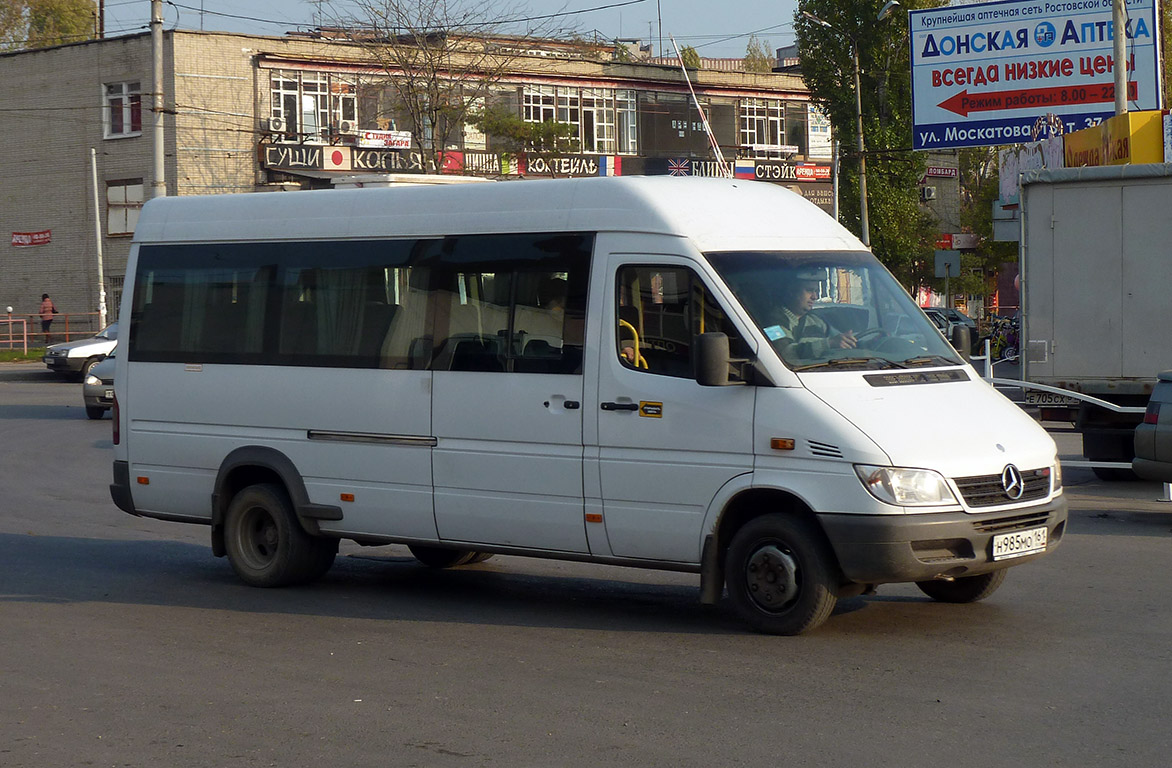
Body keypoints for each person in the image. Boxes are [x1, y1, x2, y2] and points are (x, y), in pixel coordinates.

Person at [765, 269, 856, 359]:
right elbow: (786, 354)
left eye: (816, 291)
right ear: (792, 291)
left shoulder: (816, 321)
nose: (815, 297)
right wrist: (829, 344)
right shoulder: (772, 323)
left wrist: (854, 341)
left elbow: (840, 339)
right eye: (809, 290)